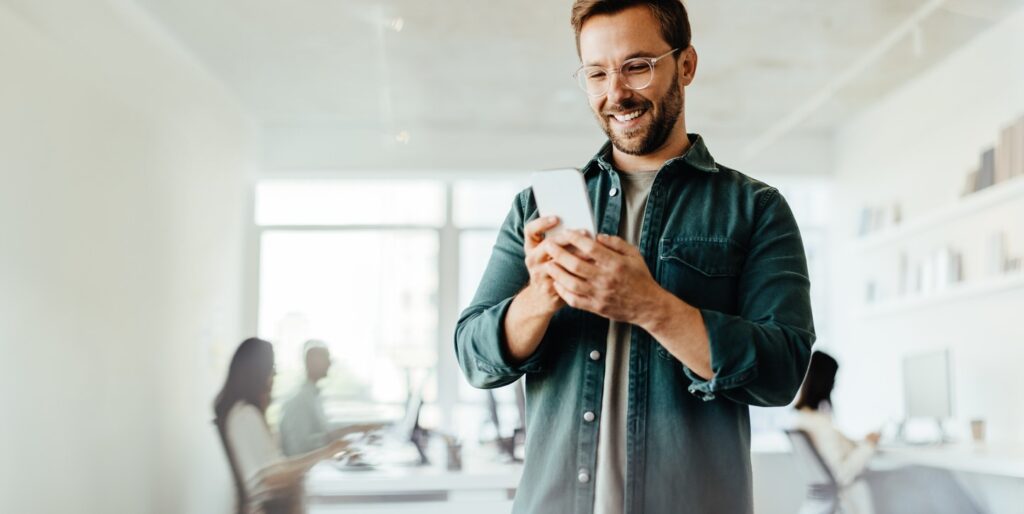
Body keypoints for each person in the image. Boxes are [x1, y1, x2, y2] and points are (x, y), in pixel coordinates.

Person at [454, 1, 815, 512]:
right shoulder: (536, 209)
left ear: (685, 65)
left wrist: (649, 306)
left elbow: (782, 371)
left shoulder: (755, 209)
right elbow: (473, 355)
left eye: (637, 67)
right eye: (597, 73)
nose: (615, 93)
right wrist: (540, 296)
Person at [793, 350, 983, 514]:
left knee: (925, 478)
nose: (835, 385)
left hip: (858, 485)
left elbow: (833, 458)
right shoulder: (819, 424)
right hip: (860, 487)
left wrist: (864, 442)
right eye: (833, 380)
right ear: (825, 381)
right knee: (934, 475)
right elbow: (841, 474)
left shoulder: (804, 419)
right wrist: (869, 445)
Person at [213, 338, 349, 514]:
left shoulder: (242, 413)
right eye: (272, 369)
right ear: (258, 373)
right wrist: (325, 453)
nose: (274, 376)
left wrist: (327, 452)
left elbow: (276, 467)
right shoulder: (246, 416)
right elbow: (270, 479)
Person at [279, 340, 381, 457]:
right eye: (326, 358)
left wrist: (355, 429)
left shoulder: (313, 396)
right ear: (311, 362)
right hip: (305, 469)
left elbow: (323, 431)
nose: (330, 363)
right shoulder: (298, 400)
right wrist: (339, 439)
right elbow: (299, 448)